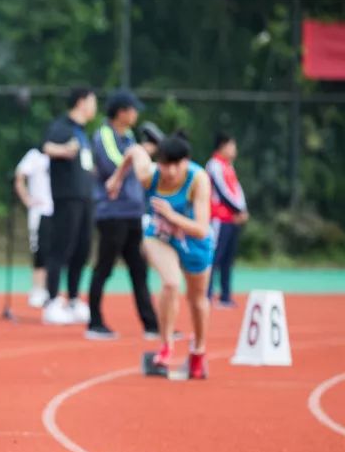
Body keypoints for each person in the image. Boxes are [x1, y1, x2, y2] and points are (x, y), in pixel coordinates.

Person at [107, 134, 213, 379]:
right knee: (171, 282)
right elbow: (134, 150)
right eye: (166, 164)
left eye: (177, 164)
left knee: (197, 300)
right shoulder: (149, 175)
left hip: (194, 241)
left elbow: (201, 228)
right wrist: (117, 178)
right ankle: (166, 346)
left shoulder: (198, 180)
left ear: (186, 162)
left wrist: (172, 216)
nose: (172, 171)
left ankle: (199, 350)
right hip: (160, 236)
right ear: (159, 162)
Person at [86, 90, 159, 340]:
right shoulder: (104, 135)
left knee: (139, 269)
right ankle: (94, 322)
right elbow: (114, 164)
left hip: (132, 212)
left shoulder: (128, 136)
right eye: (132, 109)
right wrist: (141, 153)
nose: (136, 114)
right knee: (104, 268)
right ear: (121, 112)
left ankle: (152, 325)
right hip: (112, 213)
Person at [41, 87, 98, 325]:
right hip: (67, 197)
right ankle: (52, 300)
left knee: (82, 249)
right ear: (82, 102)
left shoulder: (83, 132)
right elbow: (45, 147)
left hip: (86, 197)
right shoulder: (61, 126)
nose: (95, 107)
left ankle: (73, 298)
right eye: (93, 101)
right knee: (61, 248)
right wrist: (64, 150)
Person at [205, 132, 248, 308]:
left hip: (231, 219)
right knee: (215, 256)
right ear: (222, 146)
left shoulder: (229, 166)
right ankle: (207, 295)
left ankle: (225, 296)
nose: (234, 150)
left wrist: (242, 210)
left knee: (228, 259)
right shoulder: (214, 165)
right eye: (232, 145)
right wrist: (238, 209)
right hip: (218, 219)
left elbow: (237, 190)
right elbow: (222, 193)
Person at [13, 148, 54, 308]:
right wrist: (27, 199)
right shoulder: (35, 156)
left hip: (59, 211)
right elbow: (19, 175)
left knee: (56, 252)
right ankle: (37, 289)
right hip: (40, 210)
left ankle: (51, 290)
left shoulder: (64, 157)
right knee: (41, 251)